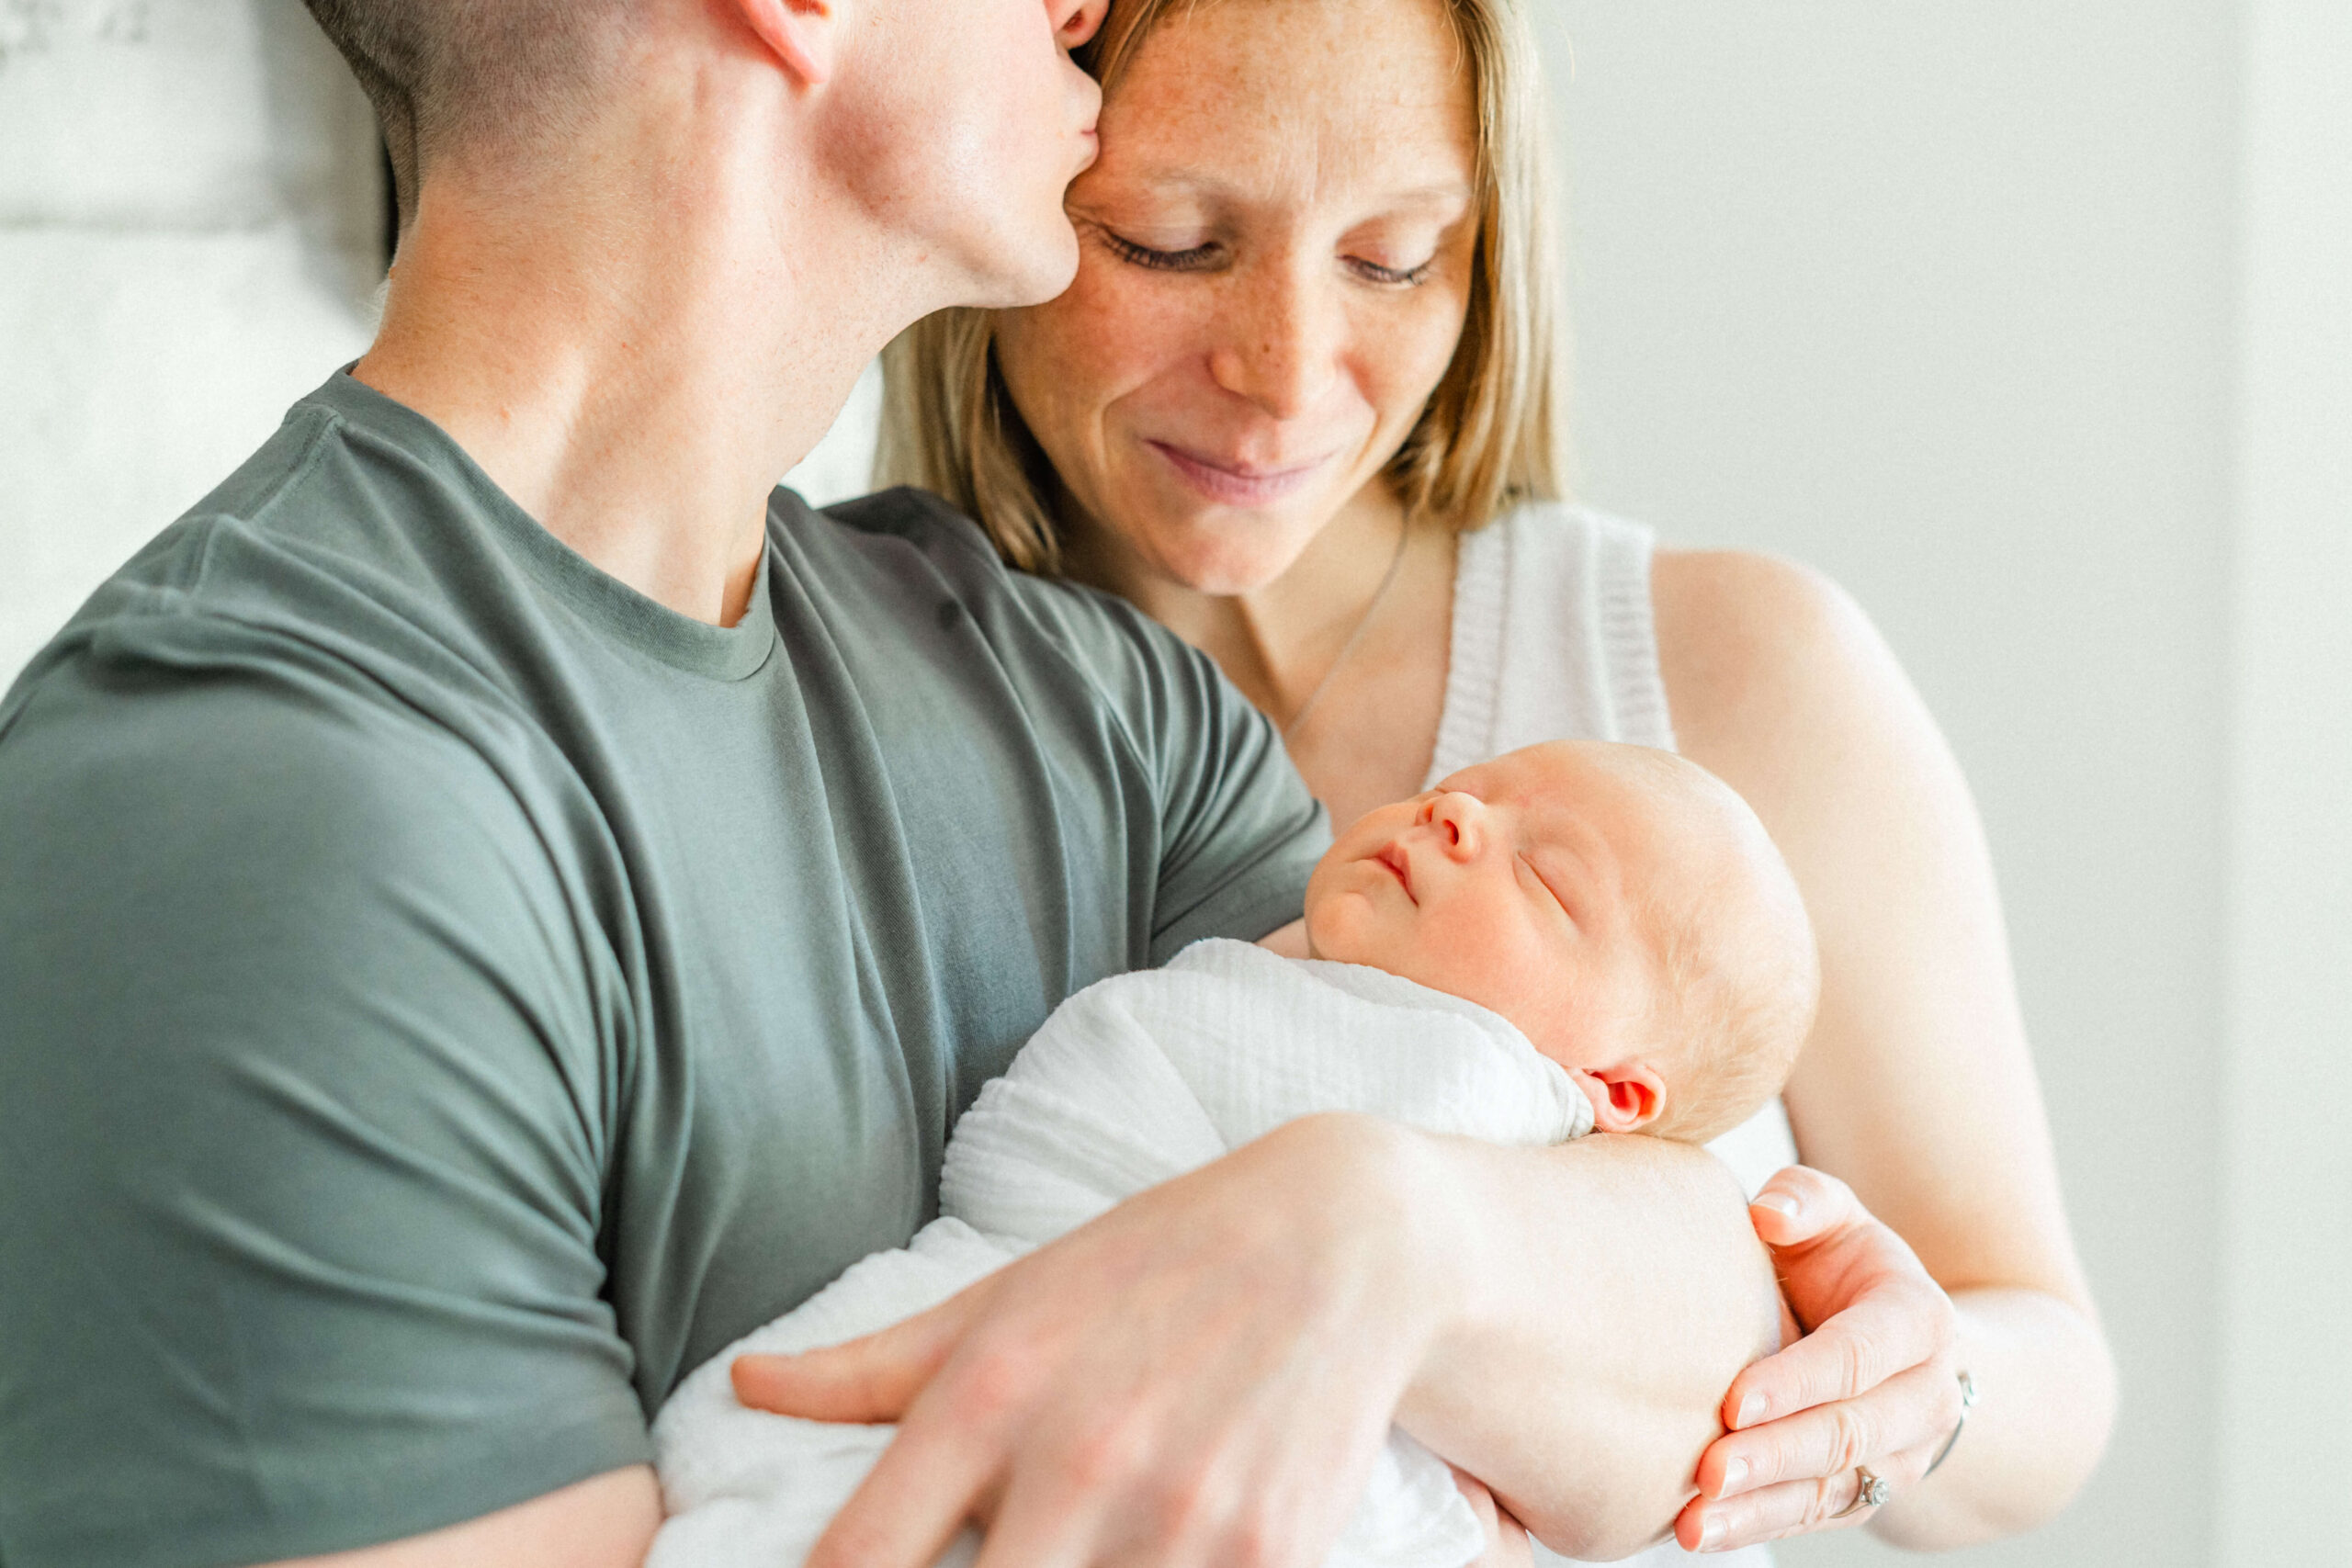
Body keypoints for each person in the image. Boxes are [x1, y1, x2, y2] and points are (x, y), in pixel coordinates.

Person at [0, 3, 1807, 1567]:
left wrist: (1385, 1227)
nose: (1092, 11)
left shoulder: (1098, 710)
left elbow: (1694, 1291)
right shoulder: (258, 808)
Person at [871, 0, 2118, 1556]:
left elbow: (2047, 1370)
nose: (1285, 373)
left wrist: (1917, 1389)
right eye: (1169, 241)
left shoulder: (1733, 672)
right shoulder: (878, 710)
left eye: (1393, 257)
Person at [658, 739, 1818, 1568]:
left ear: (1612, 1092)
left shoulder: (1483, 1096)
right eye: (1459, 793)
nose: (1455, 820)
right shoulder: (1276, 954)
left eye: (1545, 875)